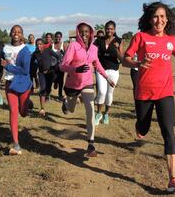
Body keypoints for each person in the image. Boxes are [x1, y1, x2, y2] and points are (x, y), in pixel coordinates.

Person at [122, 2, 175, 193]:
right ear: (150, 19)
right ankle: (140, 125)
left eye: (162, 17)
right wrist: (138, 62)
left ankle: (172, 179)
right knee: (143, 128)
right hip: (144, 92)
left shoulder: (171, 39)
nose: (159, 20)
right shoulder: (140, 37)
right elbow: (125, 59)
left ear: (167, 19)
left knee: (169, 132)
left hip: (165, 92)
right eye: (155, 17)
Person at [59, 22, 115, 157]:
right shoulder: (73, 46)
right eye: (82, 32)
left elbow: (97, 63)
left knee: (90, 111)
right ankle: (66, 105)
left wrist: (107, 77)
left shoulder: (94, 48)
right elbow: (63, 65)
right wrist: (75, 69)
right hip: (72, 85)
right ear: (78, 32)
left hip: (87, 84)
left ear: (91, 33)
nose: (84, 34)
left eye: (87, 32)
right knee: (70, 110)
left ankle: (91, 144)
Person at [2, 25, 32, 155]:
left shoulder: (25, 50)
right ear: (10, 33)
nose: (16, 33)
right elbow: (0, 62)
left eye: (19, 32)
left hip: (23, 84)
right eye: (14, 31)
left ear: (22, 34)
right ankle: (16, 144)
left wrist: (9, 67)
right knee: (13, 111)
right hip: (10, 83)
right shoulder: (5, 48)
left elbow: (25, 71)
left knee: (23, 112)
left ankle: (27, 104)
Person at [94, 20, 123, 125]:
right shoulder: (99, 40)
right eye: (107, 28)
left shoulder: (118, 40)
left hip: (114, 70)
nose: (109, 30)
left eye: (111, 29)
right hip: (101, 70)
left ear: (114, 30)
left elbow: (121, 58)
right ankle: (98, 113)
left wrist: (116, 49)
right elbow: (92, 52)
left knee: (109, 93)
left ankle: (106, 114)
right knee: (101, 91)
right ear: (105, 29)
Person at [32, 38, 59, 117]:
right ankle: (42, 109)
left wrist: (55, 66)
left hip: (50, 73)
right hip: (41, 73)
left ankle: (48, 94)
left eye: (40, 44)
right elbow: (30, 61)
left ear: (43, 44)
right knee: (42, 90)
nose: (39, 46)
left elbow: (57, 57)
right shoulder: (35, 53)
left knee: (48, 89)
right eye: (37, 44)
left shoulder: (48, 51)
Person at [52, 31, 68, 100]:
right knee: (54, 77)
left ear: (61, 37)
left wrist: (63, 54)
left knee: (61, 79)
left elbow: (67, 54)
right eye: (57, 37)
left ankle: (60, 93)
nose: (58, 38)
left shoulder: (63, 45)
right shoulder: (52, 45)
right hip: (53, 65)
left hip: (61, 65)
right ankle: (55, 82)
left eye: (59, 37)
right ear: (55, 37)